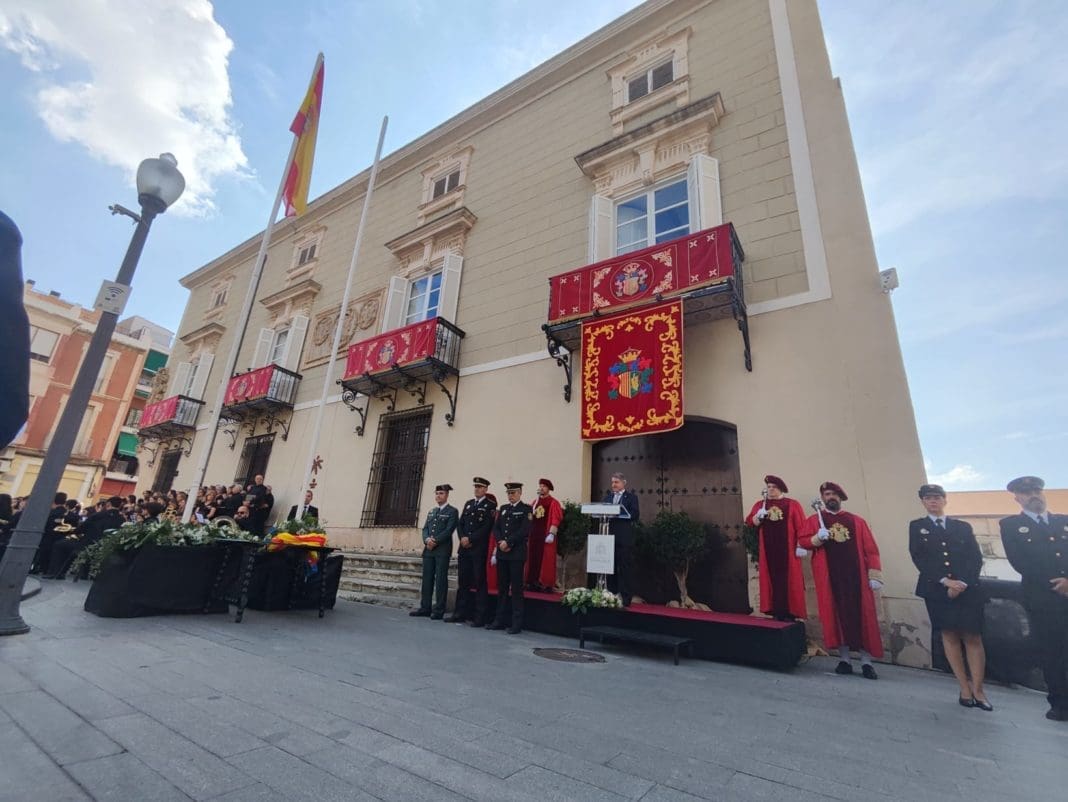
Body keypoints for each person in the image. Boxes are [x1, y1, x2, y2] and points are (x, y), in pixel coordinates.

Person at [908, 484, 990, 709]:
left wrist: (962, 582)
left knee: (973, 636)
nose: (933, 501)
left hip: (967, 588)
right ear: (923, 502)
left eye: (937, 497)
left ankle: (979, 689)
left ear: (944, 500)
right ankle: (964, 687)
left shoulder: (961, 527)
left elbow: (975, 557)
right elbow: (919, 558)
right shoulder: (918, 527)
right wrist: (945, 581)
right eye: (928, 498)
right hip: (937, 589)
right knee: (949, 635)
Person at [1000, 476, 1068, 721]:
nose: (1033, 496)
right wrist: (1057, 583)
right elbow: (1020, 562)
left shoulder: (1063, 521)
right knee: (1052, 651)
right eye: (1027, 493)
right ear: (1017, 498)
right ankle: (1060, 703)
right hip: (1043, 598)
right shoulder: (1011, 525)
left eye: (1037, 491)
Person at [799, 481, 884, 679]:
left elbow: (871, 549)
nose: (830, 497)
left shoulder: (857, 521)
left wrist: (874, 574)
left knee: (862, 618)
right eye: (827, 494)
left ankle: (866, 662)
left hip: (856, 577)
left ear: (840, 498)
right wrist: (816, 538)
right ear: (823, 498)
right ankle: (844, 659)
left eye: (834, 494)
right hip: (830, 577)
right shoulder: (815, 520)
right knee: (835, 617)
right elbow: (802, 541)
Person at [744, 474, 807, 621]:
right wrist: (757, 518)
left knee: (790, 582)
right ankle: (775, 611)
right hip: (768, 551)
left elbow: (801, 526)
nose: (771, 489)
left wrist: (800, 545)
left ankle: (791, 612)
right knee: (770, 582)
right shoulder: (761, 505)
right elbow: (749, 522)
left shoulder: (792, 504)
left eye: (774, 487)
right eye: (769, 487)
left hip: (788, 552)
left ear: (781, 489)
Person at [449, 477, 496, 625]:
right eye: (475, 486)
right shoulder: (469, 504)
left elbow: (487, 527)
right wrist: (462, 537)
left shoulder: (490, 505)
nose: (477, 489)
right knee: (463, 582)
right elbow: (460, 523)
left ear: (485, 489)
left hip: (477, 549)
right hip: (464, 549)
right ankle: (459, 613)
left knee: (479, 582)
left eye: (480, 487)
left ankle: (479, 616)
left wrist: (470, 539)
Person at [45, 496, 126, 579]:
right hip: (106, 548)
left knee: (59, 545)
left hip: (87, 545)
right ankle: (81, 574)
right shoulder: (122, 519)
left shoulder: (98, 515)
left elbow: (81, 528)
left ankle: (55, 572)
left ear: (108, 504)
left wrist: (72, 531)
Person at [409, 484, 459, 620]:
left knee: (441, 580)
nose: (438, 496)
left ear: (447, 495)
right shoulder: (432, 511)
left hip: (442, 550)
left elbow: (449, 530)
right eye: (437, 493)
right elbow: (425, 528)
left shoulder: (452, 511)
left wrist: (434, 541)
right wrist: (426, 540)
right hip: (429, 550)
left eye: (441, 493)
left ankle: (439, 609)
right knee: (427, 579)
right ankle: (425, 607)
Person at [488, 482, 532, 634]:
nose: (510, 496)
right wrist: (500, 541)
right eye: (508, 493)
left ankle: (516, 623)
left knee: (516, 589)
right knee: (502, 588)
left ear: (520, 493)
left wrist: (509, 542)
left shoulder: (526, 509)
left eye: (513, 493)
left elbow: (524, 530)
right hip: (502, 553)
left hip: (516, 554)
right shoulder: (504, 508)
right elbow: (496, 528)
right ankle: (499, 620)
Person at [599, 472, 639, 606]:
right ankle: (611, 596)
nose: (613, 485)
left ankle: (626, 598)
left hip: (624, 539)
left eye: (616, 482)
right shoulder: (608, 497)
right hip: (609, 538)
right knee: (611, 568)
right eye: (612, 482)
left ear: (623, 483)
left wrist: (619, 512)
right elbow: (602, 512)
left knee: (625, 569)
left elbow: (635, 514)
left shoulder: (631, 497)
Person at [526, 478, 562, 592]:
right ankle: (531, 581)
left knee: (546, 560)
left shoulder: (553, 502)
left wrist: (552, 533)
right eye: (540, 486)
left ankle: (545, 583)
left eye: (544, 486)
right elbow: (529, 517)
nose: (541, 488)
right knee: (532, 558)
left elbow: (556, 518)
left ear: (548, 489)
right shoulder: (535, 502)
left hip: (545, 536)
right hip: (534, 535)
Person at [31, 492, 70, 574]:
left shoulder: (50, 512)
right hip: (59, 538)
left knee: (41, 553)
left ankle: (37, 568)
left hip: (46, 536)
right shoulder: (67, 513)